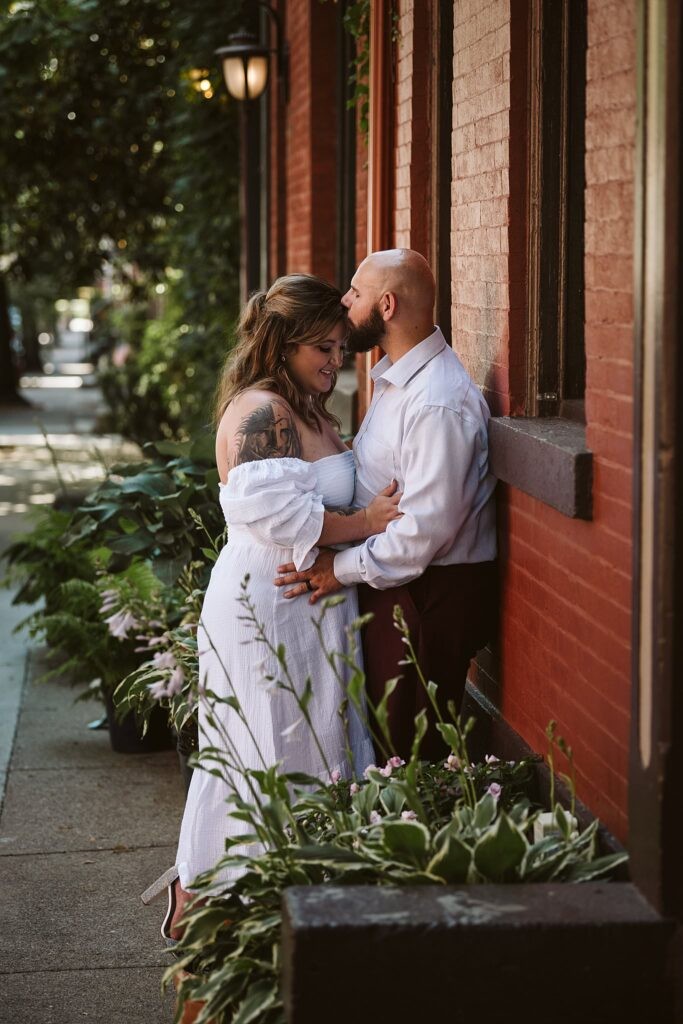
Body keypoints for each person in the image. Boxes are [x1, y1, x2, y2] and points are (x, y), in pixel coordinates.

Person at [142, 273, 401, 942]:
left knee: (312, 734)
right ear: (283, 343)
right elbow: (283, 515)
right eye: (323, 347)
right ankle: (209, 893)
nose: (335, 361)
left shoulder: (311, 411)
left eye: (341, 348)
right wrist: (369, 522)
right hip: (268, 603)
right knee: (263, 742)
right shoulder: (262, 413)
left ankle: (289, 897)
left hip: (313, 601)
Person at [275, 249, 497, 760]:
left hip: (427, 596)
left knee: (405, 752)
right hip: (398, 586)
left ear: (388, 305)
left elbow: (422, 532)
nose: (344, 301)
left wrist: (340, 568)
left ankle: (411, 840)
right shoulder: (400, 380)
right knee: (381, 738)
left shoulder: (437, 402)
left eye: (355, 293)